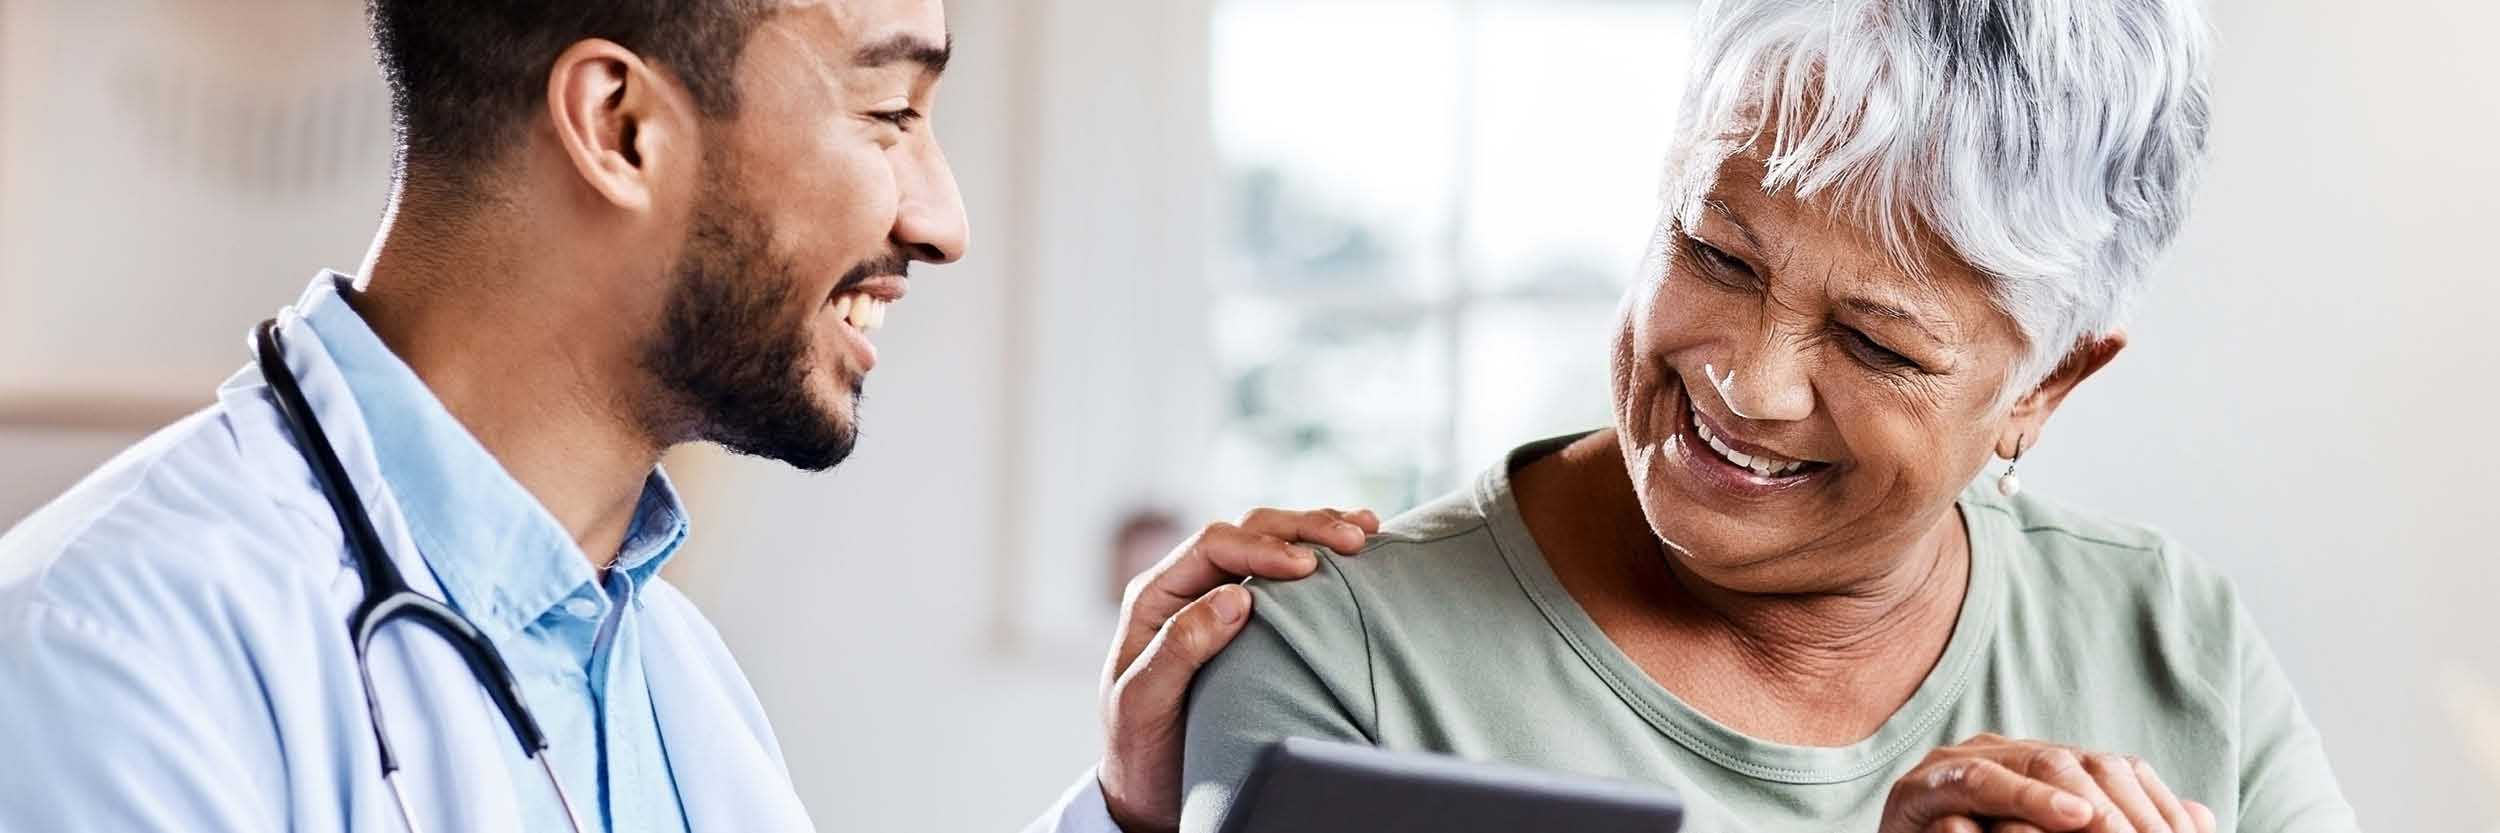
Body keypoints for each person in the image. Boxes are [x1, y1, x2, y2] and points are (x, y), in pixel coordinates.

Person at [0, 1, 1370, 831]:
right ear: (621, 125)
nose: (940, 220)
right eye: (889, 112)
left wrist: (1132, 808)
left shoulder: (661, 669)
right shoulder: (102, 658)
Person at [1177, 0, 2362, 832]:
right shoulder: (1337, 664)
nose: (1749, 381)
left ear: (2044, 388)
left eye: (1874, 343)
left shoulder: (2174, 640)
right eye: (1715, 252)